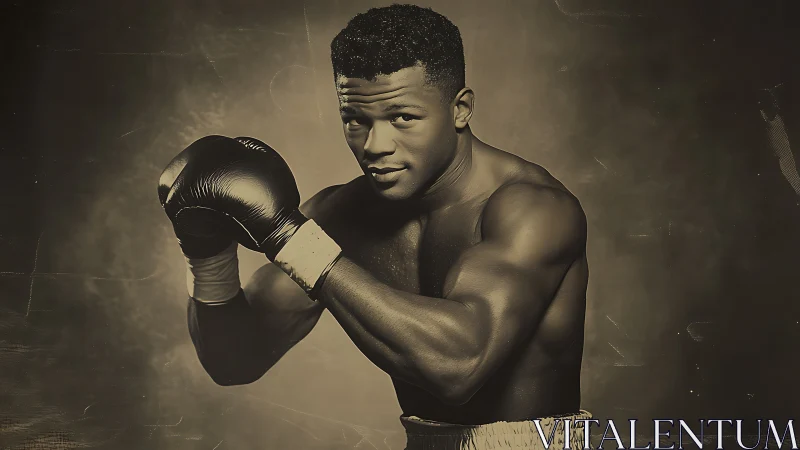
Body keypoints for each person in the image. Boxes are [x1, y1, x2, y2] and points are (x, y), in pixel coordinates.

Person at [158, 4, 591, 449]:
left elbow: (460, 366)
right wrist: (207, 254)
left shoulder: (532, 209)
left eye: (402, 118)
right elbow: (235, 360)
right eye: (355, 120)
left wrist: (291, 238)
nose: (375, 146)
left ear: (460, 109)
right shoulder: (343, 214)